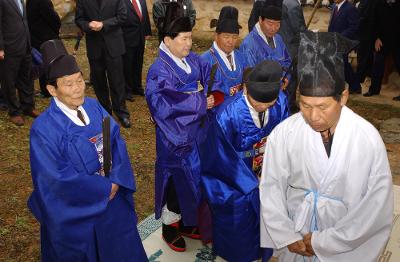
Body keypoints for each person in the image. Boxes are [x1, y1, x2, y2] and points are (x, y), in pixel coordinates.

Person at [260, 31, 393, 262]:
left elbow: (375, 206)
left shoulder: (366, 139)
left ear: (343, 97)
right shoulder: (284, 134)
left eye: (323, 107)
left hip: (344, 239)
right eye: (305, 105)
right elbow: (271, 186)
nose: (313, 116)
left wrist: (327, 242)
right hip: (296, 232)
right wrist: (286, 235)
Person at [28, 39, 148, 262]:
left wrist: (116, 180)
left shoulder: (93, 105)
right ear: (52, 89)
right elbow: (55, 180)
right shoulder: (43, 130)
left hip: (112, 193)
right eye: (68, 84)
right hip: (79, 207)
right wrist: (103, 189)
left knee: (122, 244)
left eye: (79, 80)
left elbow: (116, 142)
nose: (77, 88)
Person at [145, 2, 217, 252]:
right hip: (174, 139)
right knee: (177, 184)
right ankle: (169, 226)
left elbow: (206, 68)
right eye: (184, 38)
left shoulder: (190, 60)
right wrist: (199, 101)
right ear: (168, 40)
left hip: (195, 134)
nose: (189, 44)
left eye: (190, 37)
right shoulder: (159, 71)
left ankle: (187, 222)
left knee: (194, 182)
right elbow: (163, 106)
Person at [201, 60, 288, 262]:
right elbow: (219, 158)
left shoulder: (281, 102)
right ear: (246, 88)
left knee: (269, 219)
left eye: (270, 103)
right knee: (239, 225)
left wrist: (273, 172)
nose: (265, 106)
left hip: (270, 169)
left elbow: (287, 139)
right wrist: (251, 182)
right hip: (235, 179)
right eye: (260, 102)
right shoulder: (227, 115)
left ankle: (265, 254)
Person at [75, 0, 131, 128]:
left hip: (114, 45)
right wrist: (88, 25)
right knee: (99, 82)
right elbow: (79, 19)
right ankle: (105, 112)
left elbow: (122, 16)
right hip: (95, 47)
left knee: (117, 81)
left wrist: (104, 24)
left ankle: (122, 113)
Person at [0, 0, 38, 126]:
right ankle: (14, 112)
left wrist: (29, 42)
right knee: (9, 81)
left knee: (26, 78)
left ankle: (28, 107)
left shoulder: (21, 0)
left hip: (25, 45)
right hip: (9, 48)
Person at [200, 6, 246, 106]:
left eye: (234, 37)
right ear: (216, 36)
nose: (231, 41)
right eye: (226, 36)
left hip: (240, 109)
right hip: (216, 115)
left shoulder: (241, 56)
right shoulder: (205, 60)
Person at [240, 0, 291, 91]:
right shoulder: (249, 44)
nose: (273, 29)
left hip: (279, 90)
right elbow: (250, 75)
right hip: (259, 94)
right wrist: (273, 83)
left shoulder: (278, 39)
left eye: (277, 24)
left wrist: (284, 78)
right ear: (260, 20)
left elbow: (287, 62)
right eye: (270, 24)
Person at [363, 0, 400, 99]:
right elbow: (374, 22)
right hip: (382, 41)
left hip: (398, 41)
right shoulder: (378, 3)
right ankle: (374, 90)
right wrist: (376, 38)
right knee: (377, 65)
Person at [27, 0, 61, 98]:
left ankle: (46, 90)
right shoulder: (42, 1)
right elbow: (54, 19)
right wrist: (55, 31)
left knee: (44, 64)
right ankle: (48, 90)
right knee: (48, 65)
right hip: (45, 38)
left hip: (37, 38)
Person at [121, 0, 151, 101]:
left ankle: (137, 87)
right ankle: (127, 90)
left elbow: (145, 15)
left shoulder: (141, 0)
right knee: (128, 64)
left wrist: (147, 32)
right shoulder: (121, 2)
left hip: (140, 37)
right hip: (127, 38)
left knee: (138, 63)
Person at [328, 0, 360, 93]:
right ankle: (347, 86)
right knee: (340, 63)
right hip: (334, 40)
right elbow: (332, 24)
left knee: (342, 63)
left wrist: (340, 36)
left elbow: (354, 26)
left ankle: (355, 86)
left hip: (344, 41)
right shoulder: (334, 6)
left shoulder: (350, 8)